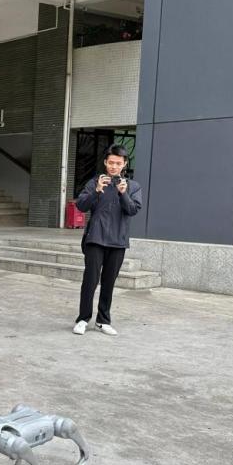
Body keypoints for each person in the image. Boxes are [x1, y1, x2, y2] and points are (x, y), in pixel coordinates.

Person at [72, 144, 143, 336]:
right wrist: (96, 191)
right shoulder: (95, 182)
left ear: (124, 164)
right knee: (90, 280)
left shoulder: (133, 186)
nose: (114, 166)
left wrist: (123, 193)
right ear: (105, 162)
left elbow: (132, 210)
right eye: (111, 162)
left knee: (109, 282)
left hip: (118, 241)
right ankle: (83, 319)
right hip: (95, 238)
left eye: (118, 163)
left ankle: (103, 321)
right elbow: (81, 206)